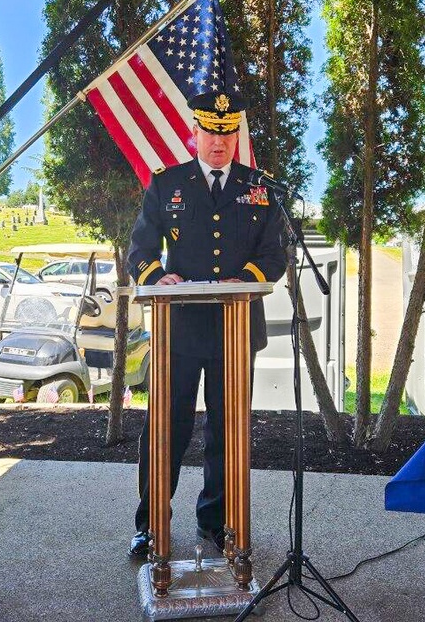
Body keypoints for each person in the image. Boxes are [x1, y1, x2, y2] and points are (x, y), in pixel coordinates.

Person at [127, 90, 286, 558]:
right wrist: (159, 276)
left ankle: (216, 523)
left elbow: (274, 255)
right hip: (179, 329)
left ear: (237, 135)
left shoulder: (260, 188)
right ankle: (151, 523)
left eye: (228, 133)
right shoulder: (166, 184)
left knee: (227, 431)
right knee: (164, 429)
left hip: (235, 331)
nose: (219, 143)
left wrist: (248, 279)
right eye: (211, 133)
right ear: (194, 132)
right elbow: (139, 251)